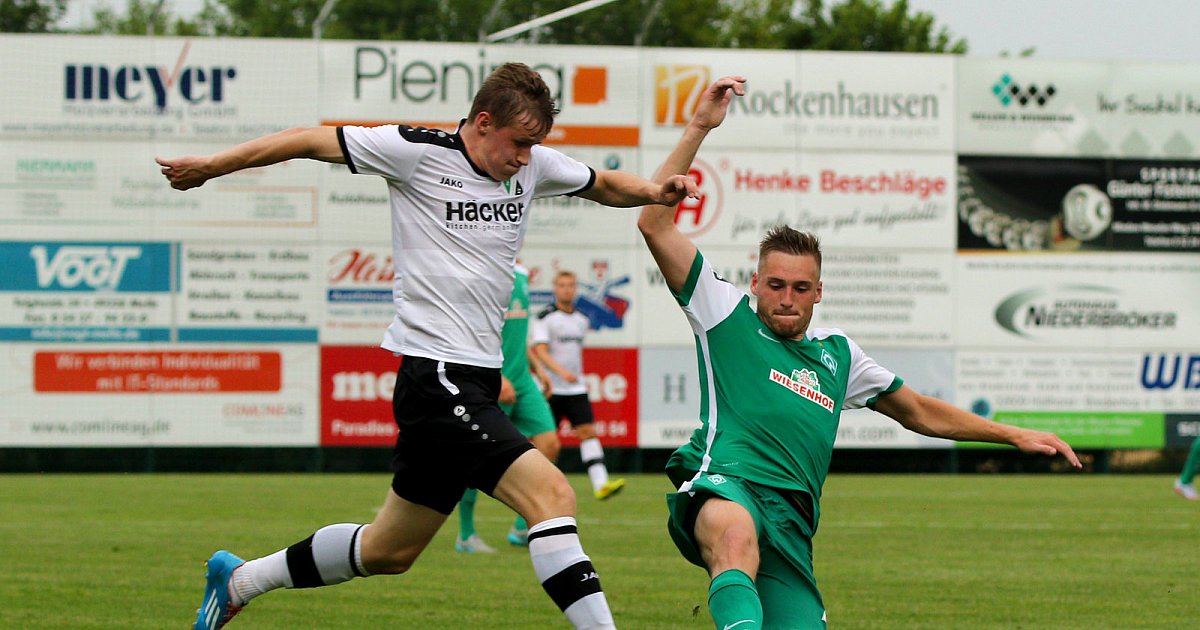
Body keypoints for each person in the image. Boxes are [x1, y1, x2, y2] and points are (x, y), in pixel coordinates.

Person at [160, 62, 703, 630]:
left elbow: (604, 184)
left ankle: (240, 579)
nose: (525, 157)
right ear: (483, 122)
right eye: (518, 143)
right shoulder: (414, 152)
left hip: (472, 380)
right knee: (553, 497)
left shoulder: (533, 165)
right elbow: (307, 139)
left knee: (388, 552)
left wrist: (652, 189)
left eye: (535, 145)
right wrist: (212, 166)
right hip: (438, 376)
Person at [637, 76, 1084, 629]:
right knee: (734, 538)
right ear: (755, 283)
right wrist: (700, 126)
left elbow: (919, 411)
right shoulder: (722, 312)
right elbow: (652, 220)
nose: (786, 298)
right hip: (728, 486)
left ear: (818, 293)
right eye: (775, 284)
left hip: (794, 523)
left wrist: (1014, 434)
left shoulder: (839, 358)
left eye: (801, 288)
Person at [455, 262, 563, 553]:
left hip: (523, 379)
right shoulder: (482, 272)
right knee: (476, 458)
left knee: (549, 443)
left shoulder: (523, 273)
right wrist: (497, 376)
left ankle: (521, 527)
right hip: (492, 377)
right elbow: (472, 331)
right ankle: (466, 535)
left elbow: (517, 334)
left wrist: (537, 369)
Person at [532, 270, 626, 500]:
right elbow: (539, 351)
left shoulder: (582, 319)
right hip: (550, 389)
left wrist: (571, 375)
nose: (567, 289)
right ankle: (536, 486)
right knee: (546, 443)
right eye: (562, 285)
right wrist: (560, 372)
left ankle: (601, 484)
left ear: (575, 289)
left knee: (587, 431)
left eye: (571, 285)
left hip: (576, 389)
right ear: (555, 289)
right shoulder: (545, 318)